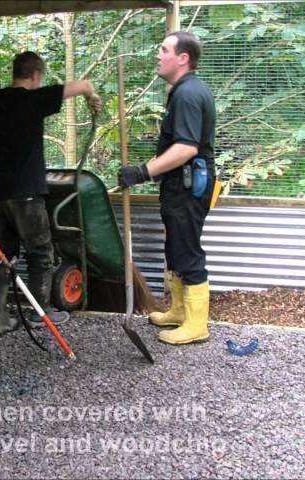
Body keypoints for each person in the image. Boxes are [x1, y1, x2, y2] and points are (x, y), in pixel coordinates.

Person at [0, 51, 102, 334]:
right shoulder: (36, 99)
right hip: (25, 193)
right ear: (36, 74)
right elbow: (84, 85)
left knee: (3, 253)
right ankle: (40, 314)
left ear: (15, 71)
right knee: (40, 253)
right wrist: (91, 98)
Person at [117, 31, 216, 345]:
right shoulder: (184, 90)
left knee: (187, 251)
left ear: (182, 58)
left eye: (163, 50)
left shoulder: (188, 94)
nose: (158, 56)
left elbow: (186, 148)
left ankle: (197, 325)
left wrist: (141, 172)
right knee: (176, 247)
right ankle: (179, 311)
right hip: (180, 184)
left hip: (188, 185)